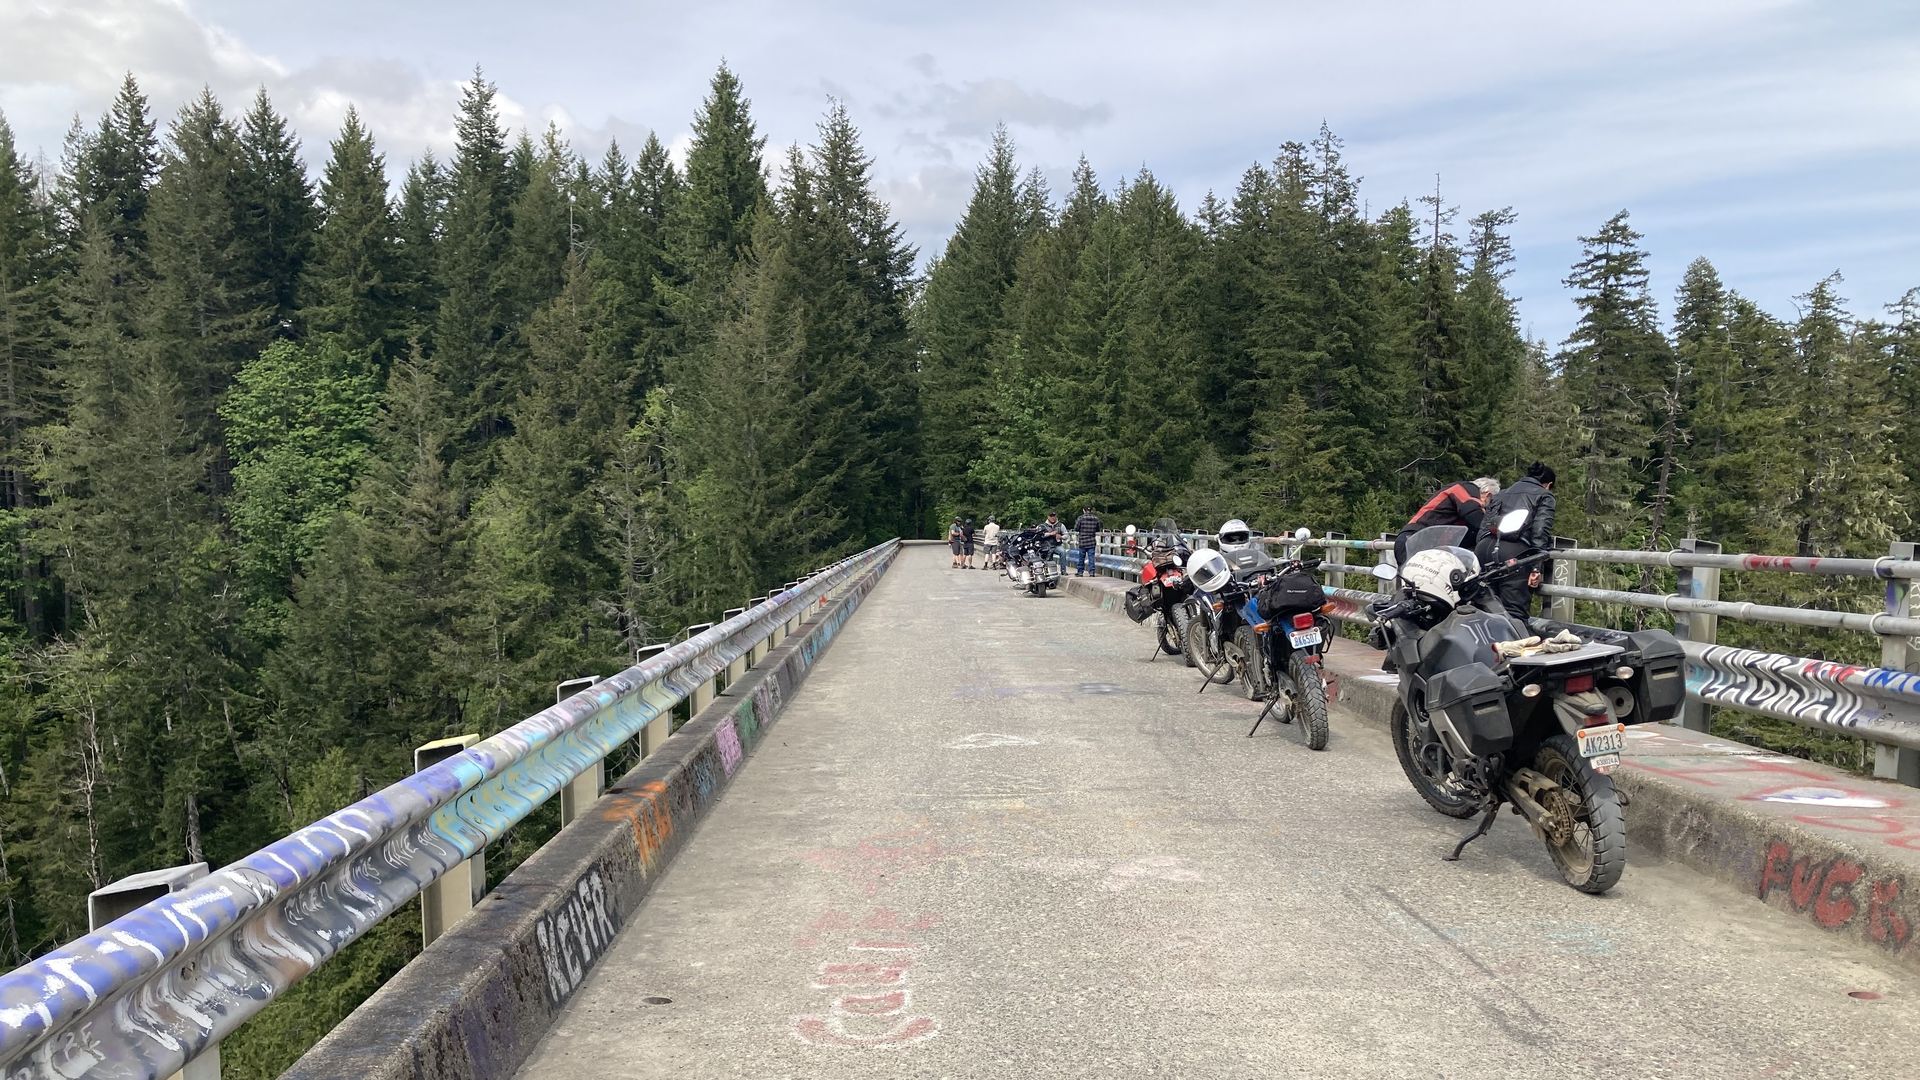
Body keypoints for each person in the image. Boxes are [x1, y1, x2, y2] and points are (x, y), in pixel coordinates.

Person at [1477, 462, 1556, 620]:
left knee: (1484, 609)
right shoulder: (1544, 495)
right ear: (1549, 484)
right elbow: (1540, 532)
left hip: (1484, 549)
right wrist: (1536, 567)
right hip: (1514, 553)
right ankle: (1514, 642)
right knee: (1514, 613)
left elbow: (1484, 526)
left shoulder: (1502, 493)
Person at [1395, 477, 1499, 566]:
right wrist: (1497, 531)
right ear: (1488, 495)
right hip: (1414, 541)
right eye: (1491, 504)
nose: (1488, 509)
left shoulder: (1459, 513)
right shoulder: (1465, 488)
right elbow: (1473, 513)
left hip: (1425, 545)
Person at [1074, 505, 1102, 576]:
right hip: (1092, 541)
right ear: (1091, 511)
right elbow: (1098, 529)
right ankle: (1092, 572)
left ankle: (1080, 572)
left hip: (1082, 541)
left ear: (1084, 510)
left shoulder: (1080, 518)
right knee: (1091, 558)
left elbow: (1076, 528)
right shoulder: (1096, 518)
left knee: (1081, 558)